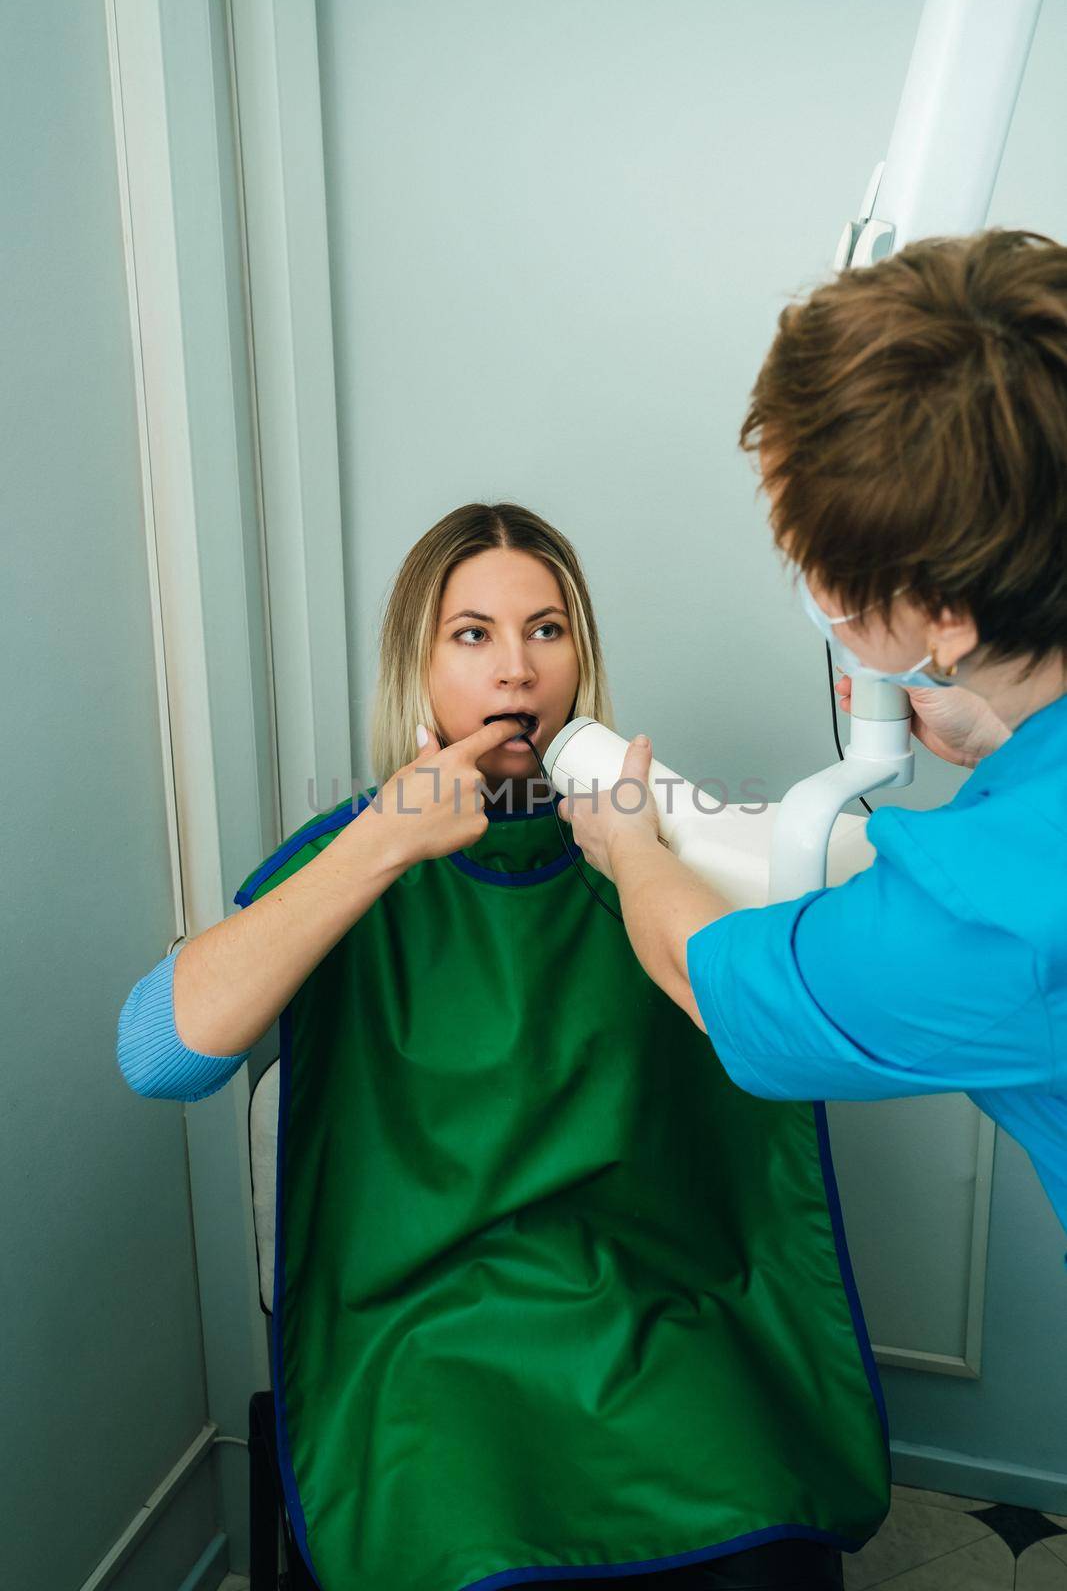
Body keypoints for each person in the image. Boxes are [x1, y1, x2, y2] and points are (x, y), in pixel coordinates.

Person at [118, 503, 890, 1591]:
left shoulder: (662, 846)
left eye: (546, 629)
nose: (516, 670)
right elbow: (157, 1055)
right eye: (471, 634)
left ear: (582, 655)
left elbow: (820, 991)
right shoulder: (351, 860)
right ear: (417, 667)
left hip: (651, 1299)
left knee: (758, 1532)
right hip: (425, 1326)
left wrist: (645, 848)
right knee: (474, 1554)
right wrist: (379, 842)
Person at [562, 229, 1067, 1245]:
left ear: (943, 615)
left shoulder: (995, 918)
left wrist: (626, 847)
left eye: (817, 568)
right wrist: (1013, 728)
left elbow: (714, 981)